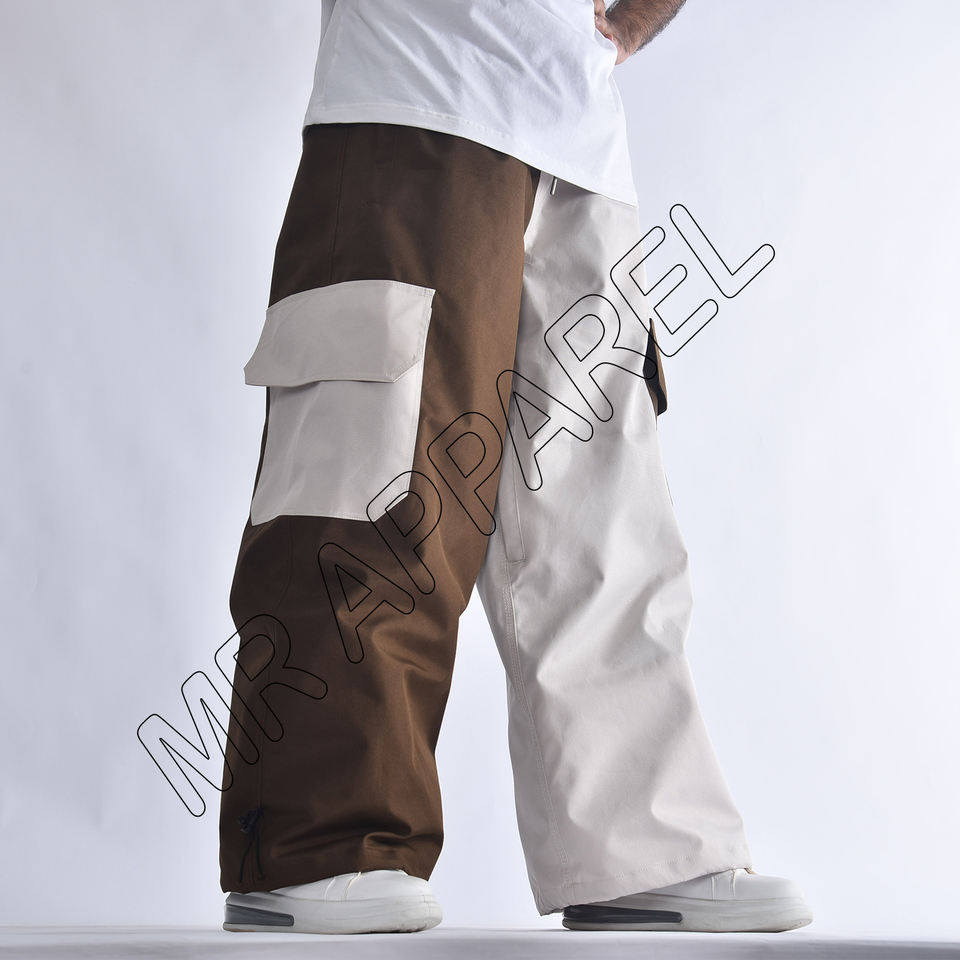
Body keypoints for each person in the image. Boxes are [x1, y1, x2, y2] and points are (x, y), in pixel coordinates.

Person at [217, 0, 813, 935]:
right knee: (375, 490)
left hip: (580, 138)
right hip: (412, 94)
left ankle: (638, 850)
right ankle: (318, 844)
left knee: (600, 526)